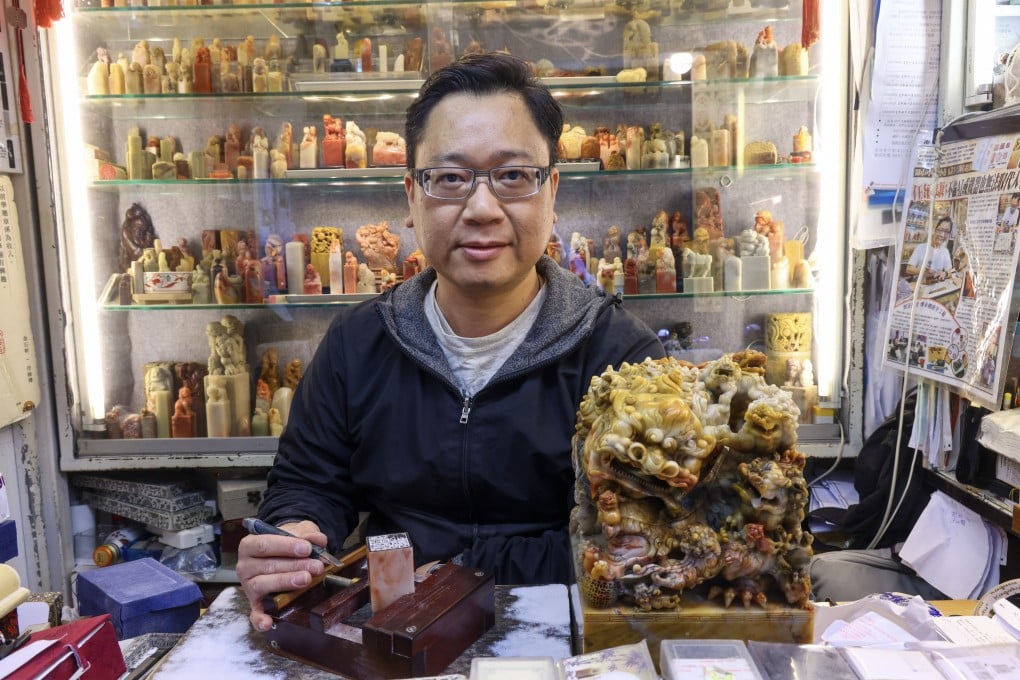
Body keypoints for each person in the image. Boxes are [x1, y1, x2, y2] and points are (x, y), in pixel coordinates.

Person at [237, 53, 665, 631]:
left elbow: (639, 539)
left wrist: (454, 569)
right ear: (411, 197)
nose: (483, 208)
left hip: (569, 634)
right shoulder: (358, 343)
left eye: (513, 176)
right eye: (450, 178)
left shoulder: (621, 359)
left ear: (551, 191)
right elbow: (307, 483)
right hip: (394, 628)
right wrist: (292, 536)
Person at [903, 216, 954, 283]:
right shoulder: (921, 248)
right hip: (919, 287)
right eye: (940, 230)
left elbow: (950, 271)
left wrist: (945, 273)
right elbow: (908, 269)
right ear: (934, 230)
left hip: (936, 288)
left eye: (947, 231)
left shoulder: (945, 251)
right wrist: (923, 272)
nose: (942, 235)